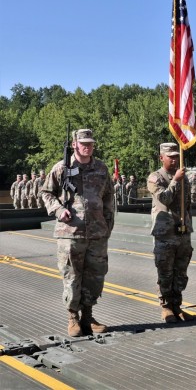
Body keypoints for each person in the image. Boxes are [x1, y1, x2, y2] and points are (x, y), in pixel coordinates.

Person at [41, 128, 115, 337]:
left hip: (97, 233)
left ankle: (87, 317)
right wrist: (58, 209)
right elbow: (46, 192)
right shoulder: (62, 168)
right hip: (70, 232)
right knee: (72, 277)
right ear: (74, 144)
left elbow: (109, 198)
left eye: (90, 143)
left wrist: (107, 225)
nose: (87, 146)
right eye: (83, 143)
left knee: (95, 277)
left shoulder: (101, 168)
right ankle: (72, 317)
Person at [147, 142, 195, 323]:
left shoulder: (183, 178)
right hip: (165, 232)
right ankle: (166, 306)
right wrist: (176, 180)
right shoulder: (155, 178)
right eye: (171, 157)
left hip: (182, 231)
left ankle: (177, 305)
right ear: (161, 158)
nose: (175, 159)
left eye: (177, 156)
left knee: (180, 271)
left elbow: (188, 203)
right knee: (165, 271)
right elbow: (164, 199)